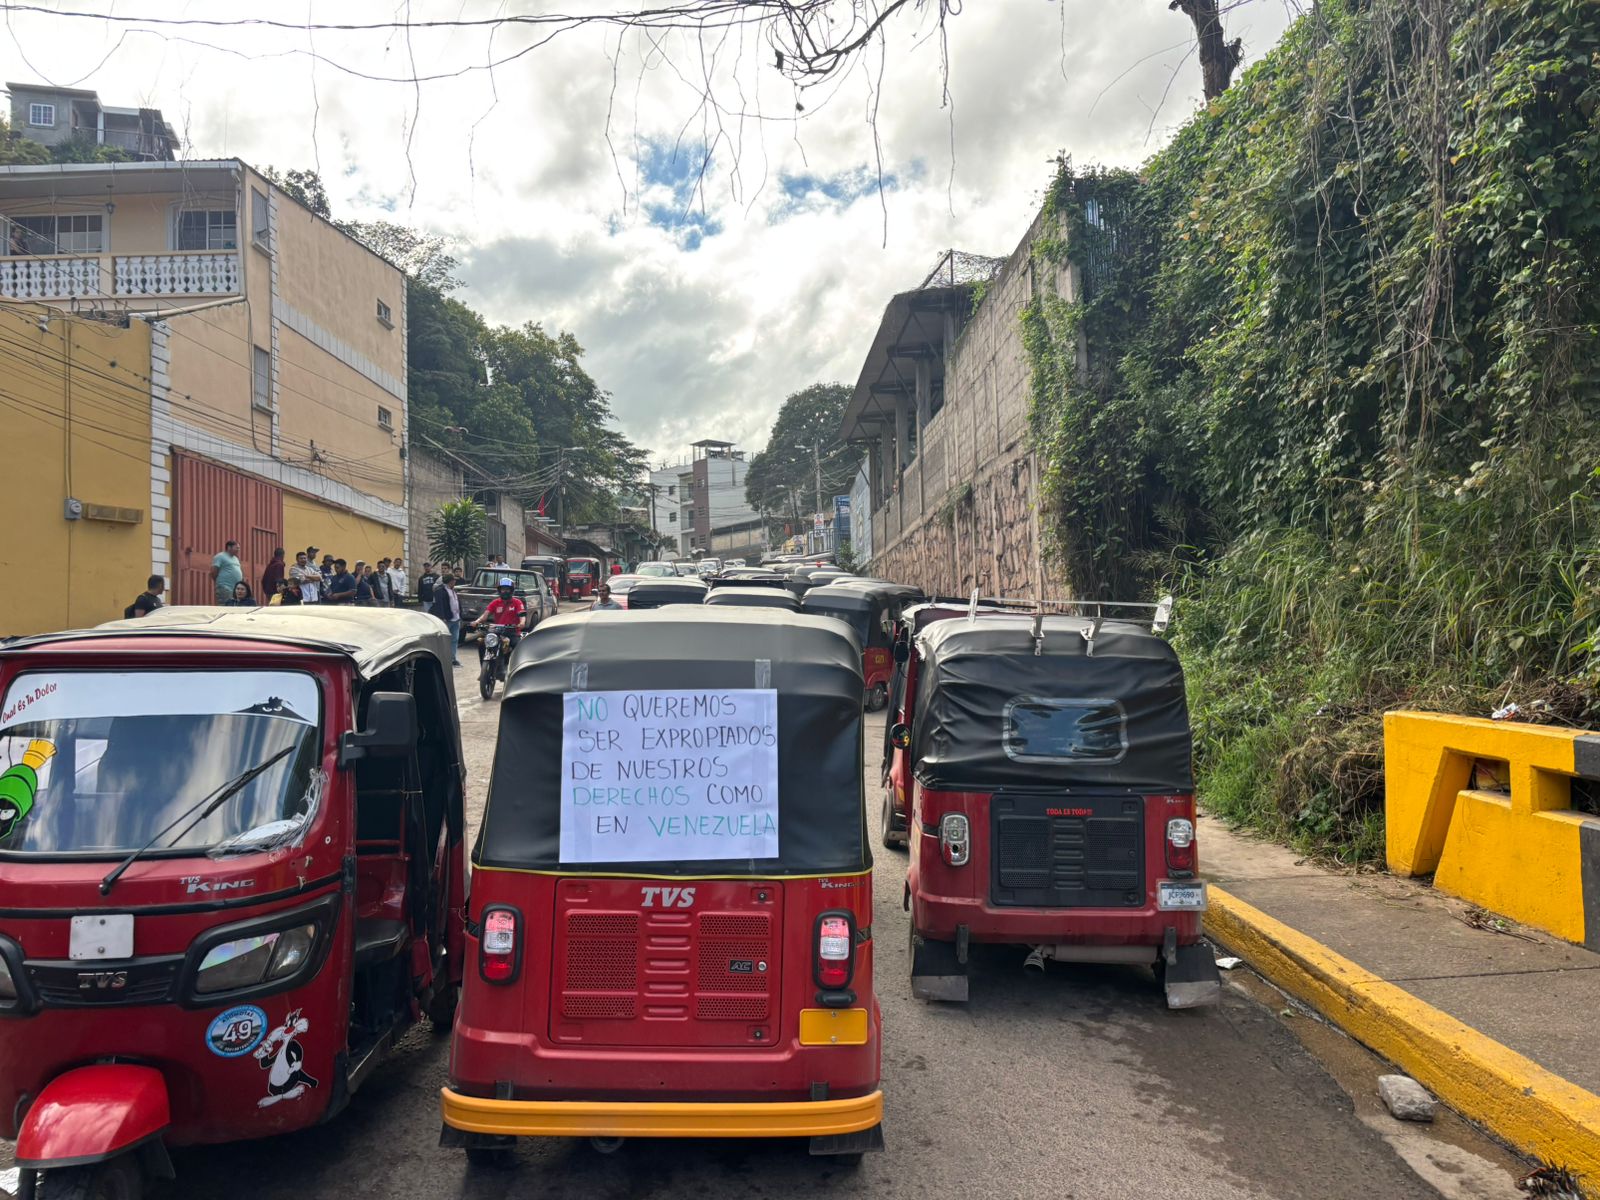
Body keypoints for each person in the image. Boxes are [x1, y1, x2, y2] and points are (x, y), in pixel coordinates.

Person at [429, 573, 463, 665]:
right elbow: (439, 605)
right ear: (450, 581)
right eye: (454, 580)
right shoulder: (440, 591)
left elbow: (457, 603)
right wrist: (442, 617)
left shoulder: (453, 590)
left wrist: (460, 615)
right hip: (447, 619)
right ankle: (444, 659)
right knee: (444, 640)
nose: (455, 582)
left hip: (456, 619)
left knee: (455, 639)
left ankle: (452, 658)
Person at [210, 538, 242, 604]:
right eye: (236, 548)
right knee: (226, 606)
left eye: (239, 548)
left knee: (234, 607)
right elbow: (213, 571)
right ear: (229, 547)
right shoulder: (220, 556)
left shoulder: (236, 558)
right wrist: (220, 583)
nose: (238, 550)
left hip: (235, 589)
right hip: (225, 587)